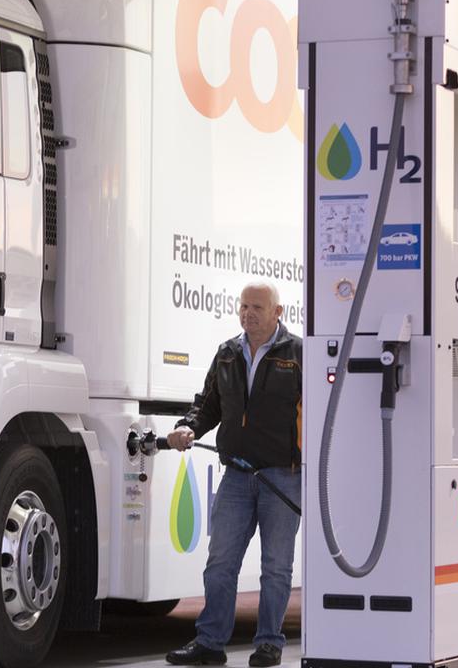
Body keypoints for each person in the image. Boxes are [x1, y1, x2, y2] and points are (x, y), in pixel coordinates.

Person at [165, 281, 303, 667]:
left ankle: (269, 644)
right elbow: (207, 404)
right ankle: (210, 643)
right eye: (244, 306)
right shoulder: (227, 353)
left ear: (278, 312)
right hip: (237, 477)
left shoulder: (298, 354)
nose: (248, 313)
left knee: (276, 567)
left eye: (258, 306)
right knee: (220, 563)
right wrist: (188, 426)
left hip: (282, 477)